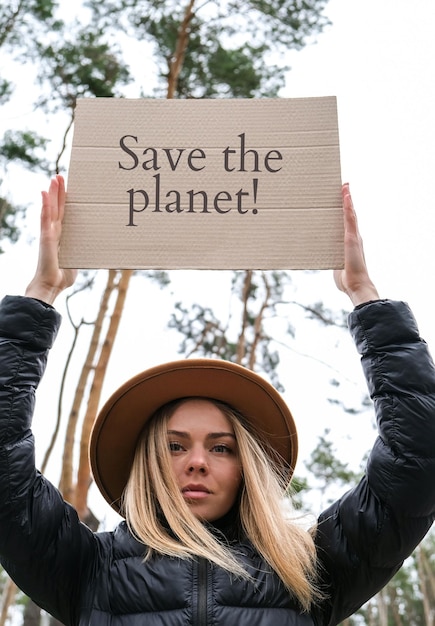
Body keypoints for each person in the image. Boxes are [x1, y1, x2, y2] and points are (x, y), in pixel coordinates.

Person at [0, 175, 434, 626]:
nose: (198, 462)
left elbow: (418, 459)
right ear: (148, 461)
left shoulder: (309, 569)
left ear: (246, 464)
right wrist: (42, 293)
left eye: (221, 447)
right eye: (174, 445)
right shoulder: (88, 570)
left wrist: (364, 294)